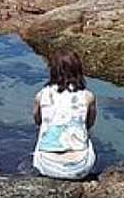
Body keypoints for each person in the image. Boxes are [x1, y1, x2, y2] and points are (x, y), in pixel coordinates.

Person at [32, 49, 97, 179]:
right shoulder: (88, 96)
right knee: (85, 133)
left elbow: (37, 120)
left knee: (44, 130)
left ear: (53, 70)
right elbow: (89, 123)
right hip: (80, 167)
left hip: (46, 166)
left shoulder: (41, 95)